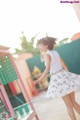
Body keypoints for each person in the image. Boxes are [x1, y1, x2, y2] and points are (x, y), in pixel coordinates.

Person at [34, 37, 80, 120]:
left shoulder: (47, 55)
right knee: (74, 102)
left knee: (69, 106)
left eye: (40, 45)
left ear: (46, 45)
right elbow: (64, 65)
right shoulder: (55, 52)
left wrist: (40, 79)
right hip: (63, 75)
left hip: (57, 79)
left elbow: (47, 68)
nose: (39, 47)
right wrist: (67, 75)